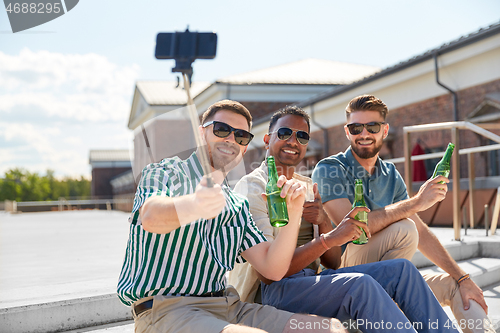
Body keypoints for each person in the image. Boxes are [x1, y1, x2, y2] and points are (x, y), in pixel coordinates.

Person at [117, 100, 349, 333]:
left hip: (227, 305)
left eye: (241, 136)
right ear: (201, 134)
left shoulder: (236, 204)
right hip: (167, 310)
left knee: (330, 329)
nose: (230, 139)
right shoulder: (165, 172)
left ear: (246, 146)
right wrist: (194, 204)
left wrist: (294, 211)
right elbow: (150, 216)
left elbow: (272, 269)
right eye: (221, 129)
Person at [228, 105, 460, 333]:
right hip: (272, 292)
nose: (293, 141)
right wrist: (329, 238)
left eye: (301, 136)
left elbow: (333, 263)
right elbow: (270, 274)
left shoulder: (308, 187)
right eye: (285, 133)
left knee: (402, 271)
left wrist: (322, 221)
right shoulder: (253, 187)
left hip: (311, 279)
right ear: (268, 140)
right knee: (361, 286)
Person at [311, 95, 494, 333]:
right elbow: (353, 227)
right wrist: (416, 202)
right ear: (348, 132)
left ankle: (393, 300)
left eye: (372, 127)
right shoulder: (330, 169)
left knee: (458, 288)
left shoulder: (389, 173)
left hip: (387, 276)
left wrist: (462, 277)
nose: (363, 134)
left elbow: (421, 231)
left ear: (385, 130)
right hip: (345, 275)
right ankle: (389, 301)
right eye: (356, 127)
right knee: (404, 228)